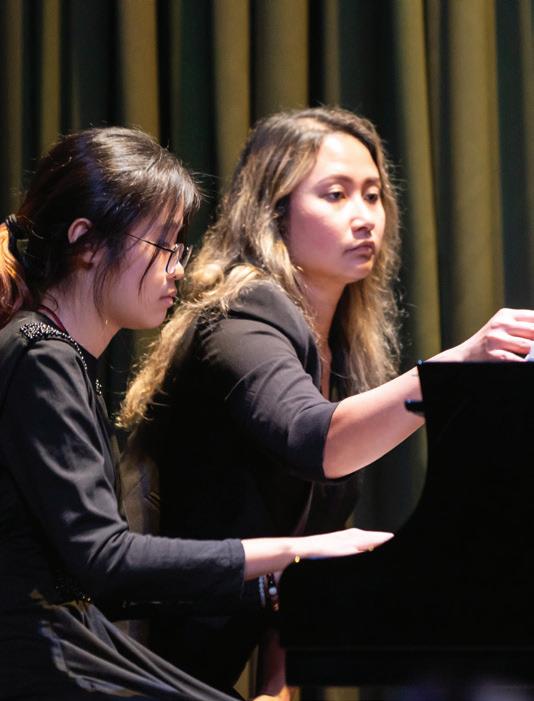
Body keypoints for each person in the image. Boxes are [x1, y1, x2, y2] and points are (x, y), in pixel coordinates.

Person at [119, 106, 534, 695]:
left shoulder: (341, 350)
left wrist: (278, 689)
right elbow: (315, 441)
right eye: (336, 195)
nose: (364, 217)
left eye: (373, 196)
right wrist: (454, 365)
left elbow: (306, 553)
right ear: (274, 212)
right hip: (140, 666)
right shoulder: (243, 312)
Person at [0, 125, 393, 701]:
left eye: (180, 248)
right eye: (163, 246)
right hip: (35, 660)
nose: (178, 269)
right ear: (86, 243)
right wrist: (291, 554)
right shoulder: (41, 355)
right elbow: (104, 559)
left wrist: (272, 586)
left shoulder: (59, 357)